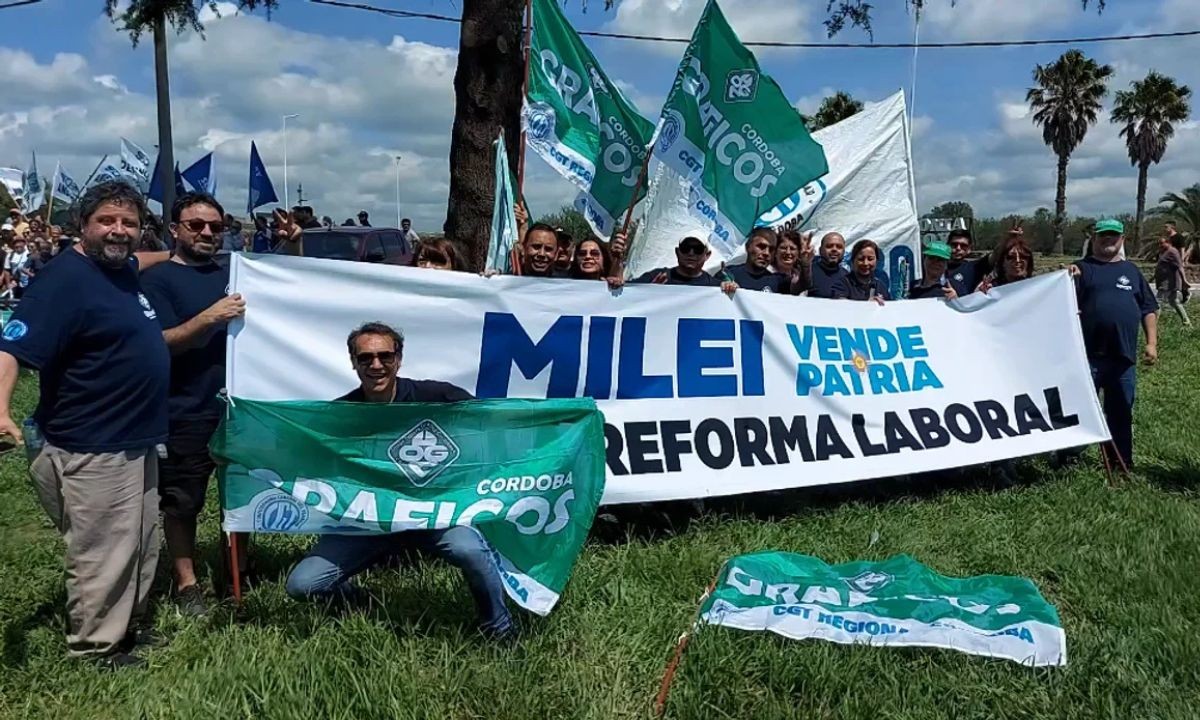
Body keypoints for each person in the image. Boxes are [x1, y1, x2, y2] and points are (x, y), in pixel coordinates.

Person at [0, 181, 171, 669]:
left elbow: (143, 261)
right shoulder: (64, 280)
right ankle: (95, 649)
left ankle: (126, 627)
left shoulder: (119, 269)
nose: (119, 231)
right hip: (90, 444)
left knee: (139, 541)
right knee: (103, 550)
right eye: (107, 221)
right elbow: (10, 348)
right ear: (84, 225)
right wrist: (0, 410)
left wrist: (184, 253)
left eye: (129, 223)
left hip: (133, 439)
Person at [284, 322, 514, 639]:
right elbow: (290, 448)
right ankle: (359, 603)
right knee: (302, 585)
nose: (376, 365)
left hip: (433, 515)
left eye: (384, 356)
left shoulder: (435, 396)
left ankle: (499, 628)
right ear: (353, 362)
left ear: (399, 359)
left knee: (471, 551)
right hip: (368, 522)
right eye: (365, 358)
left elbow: (493, 421)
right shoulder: (340, 414)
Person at [141, 192, 247, 616]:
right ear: (175, 230)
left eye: (215, 227)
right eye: (196, 225)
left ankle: (238, 570)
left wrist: (293, 246)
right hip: (185, 409)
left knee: (239, 495)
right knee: (182, 501)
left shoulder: (237, 273)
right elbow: (158, 343)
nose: (206, 233)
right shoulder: (158, 280)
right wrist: (209, 318)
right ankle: (187, 583)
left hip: (239, 410)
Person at [1067, 219, 1158, 470]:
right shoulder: (1081, 269)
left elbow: (1148, 308)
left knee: (1121, 413)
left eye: (1114, 236)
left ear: (1122, 240)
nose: (1109, 240)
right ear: (1094, 239)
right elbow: (1062, 303)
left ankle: (1121, 462)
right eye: (1103, 235)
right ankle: (1068, 457)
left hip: (1123, 358)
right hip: (1088, 357)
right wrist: (1069, 277)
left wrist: (1152, 343)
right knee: (1081, 413)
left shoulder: (1131, 271)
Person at [632, 236, 723, 287]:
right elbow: (624, 290)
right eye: (686, 248)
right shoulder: (655, 277)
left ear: (707, 255)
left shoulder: (716, 287)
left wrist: (731, 289)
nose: (691, 253)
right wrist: (648, 291)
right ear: (677, 252)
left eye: (697, 249)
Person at [723, 227, 790, 293]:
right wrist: (723, 287)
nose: (766, 253)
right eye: (761, 246)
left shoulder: (779, 283)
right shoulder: (729, 274)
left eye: (771, 249)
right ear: (748, 247)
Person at [1155, 233, 1190, 325]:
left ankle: (1153, 324)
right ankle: (1186, 322)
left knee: (1157, 302)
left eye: (1162, 243)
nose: (1160, 245)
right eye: (1158, 244)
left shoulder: (1173, 252)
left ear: (1168, 242)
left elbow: (1180, 266)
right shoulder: (1164, 252)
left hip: (1168, 282)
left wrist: (1184, 281)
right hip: (1164, 281)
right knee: (1174, 301)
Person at [945, 228, 987, 297]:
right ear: (947, 245)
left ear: (969, 249)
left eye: (963, 245)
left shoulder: (975, 268)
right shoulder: (935, 268)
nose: (958, 248)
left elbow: (997, 254)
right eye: (954, 245)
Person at [808, 231, 848, 298]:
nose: (834, 249)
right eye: (829, 246)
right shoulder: (808, 272)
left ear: (844, 251)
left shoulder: (847, 277)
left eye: (839, 247)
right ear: (820, 250)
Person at [773, 229, 812, 296]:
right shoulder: (767, 273)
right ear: (775, 251)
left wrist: (806, 263)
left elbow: (804, 284)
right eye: (783, 248)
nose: (788, 252)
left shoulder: (799, 275)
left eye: (792, 249)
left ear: (798, 253)